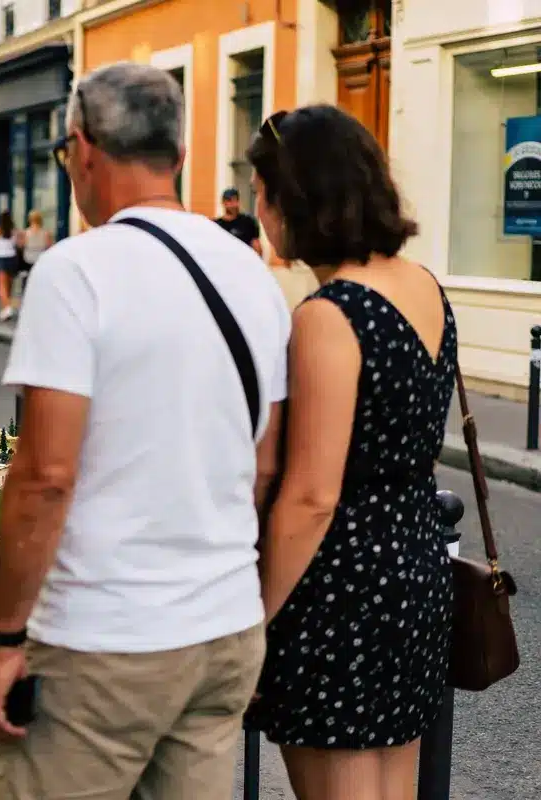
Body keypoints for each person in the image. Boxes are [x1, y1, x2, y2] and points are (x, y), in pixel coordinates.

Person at [0, 61, 290, 800]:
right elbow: (266, 467)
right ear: (178, 156)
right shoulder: (252, 274)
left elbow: (46, 476)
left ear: (82, 150)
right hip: (223, 631)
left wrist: (6, 638)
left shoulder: (74, 272)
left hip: (104, 639)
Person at [246, 105, 456, 800]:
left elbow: (311, 496)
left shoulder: (329, 315)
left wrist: (255, 618)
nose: (256, 207)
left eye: (260, 189)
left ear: (294, 198)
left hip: (342, 587)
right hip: (417, 565)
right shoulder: (424, 286)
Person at [0, 210, 21, 323]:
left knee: (1, 286)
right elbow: (19, 245)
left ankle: (7, 308)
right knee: (9, 286)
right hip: (12, 259)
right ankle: (5, 308)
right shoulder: (14, 231)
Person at [217, 187, 263, 255]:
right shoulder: (217, 225)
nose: (232, 204)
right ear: (223, 202)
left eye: (235, 200)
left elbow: (256, 245)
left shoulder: (248, 221)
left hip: (244, 262)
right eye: (229, 201)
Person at [18, 209, 53, 292]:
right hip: (41, 257)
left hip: (28, 257)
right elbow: (49, 246)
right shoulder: (46, 233)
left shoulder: (26, 232)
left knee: (27, 279)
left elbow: (21, 245)